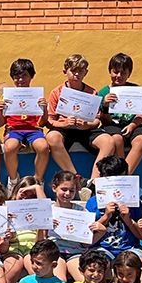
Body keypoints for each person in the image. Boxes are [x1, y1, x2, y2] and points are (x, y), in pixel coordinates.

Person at [44, 54, 114, 189]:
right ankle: (76, 178)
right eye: (73, 70)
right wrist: (64, 123)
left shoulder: (92, 92)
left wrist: (87, 125)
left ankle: (94, 182)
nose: (76, 74)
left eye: (80, 71)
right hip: (64, 128)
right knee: (52, 137)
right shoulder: (56, 92)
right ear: (65, 71)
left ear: (86, 72)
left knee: (108, 141)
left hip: (85, 128)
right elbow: (50, 121)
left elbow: (96, 120)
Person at [0, 58, 50, 188]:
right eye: (16, 77)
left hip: (33, 130)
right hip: (13, 130)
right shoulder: (7, 97)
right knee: (9, 147)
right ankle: (13, 180)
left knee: (43, 147)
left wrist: (44, 110)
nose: (20, 80)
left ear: (31, 76)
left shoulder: (37, 96)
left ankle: (37, 180)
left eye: (24, 75)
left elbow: (42, 123)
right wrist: (1, 110)